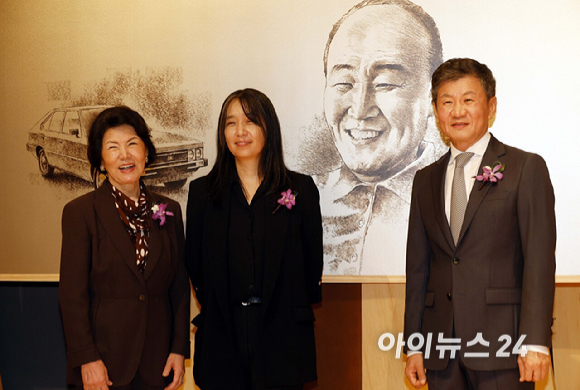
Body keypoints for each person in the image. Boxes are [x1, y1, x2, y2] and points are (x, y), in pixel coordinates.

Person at [404, 58, 556, 389]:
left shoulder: (524, 168)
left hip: (504, 347)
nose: (457, 111)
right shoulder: (424, 180)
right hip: (440, 348)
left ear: (491, 106)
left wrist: (535, 341)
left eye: (468, 100)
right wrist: (414, 345)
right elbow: (418, 268)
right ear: (436, 111)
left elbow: (539, 262)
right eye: (447, 102)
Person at [184, 89, 323, 389]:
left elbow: (313, 263)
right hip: (223, 335)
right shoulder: (202, 194)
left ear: (267, 127)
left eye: (250, 121)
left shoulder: (300, 189)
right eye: (231, 123)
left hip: (282, 332)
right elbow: (195, 264)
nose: (240, 131)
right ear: (222, 133)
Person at [59, 106, 190, 390]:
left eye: (132, 144)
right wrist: (87, 358)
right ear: (102, 161)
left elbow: (179, 286)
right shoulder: (80, 213)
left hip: (157, 363)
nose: (125, 155)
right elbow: (72, 295)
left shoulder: (169, 210)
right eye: (113, 147)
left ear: (146, 154)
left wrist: (179, 349)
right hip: (103, 365)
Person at [315, 0, 445, 275]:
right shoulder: (305, 196)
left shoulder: (456, 194)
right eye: (344, 83)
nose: (360, 109)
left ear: (432, 96)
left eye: (385, 83)